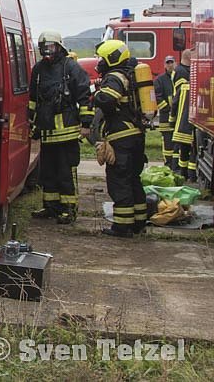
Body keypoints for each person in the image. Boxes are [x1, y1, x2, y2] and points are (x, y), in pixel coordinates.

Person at [29, 31, 93, 224]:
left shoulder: (70, 67)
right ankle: (51, 207)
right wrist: (31, 124)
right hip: (47, 131)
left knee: (65, 171)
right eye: (43, 48)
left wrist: (86, 124)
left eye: (49, 47)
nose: (46, 52)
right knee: (47, 172)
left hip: (67, 130)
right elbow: (33, 99)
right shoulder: (38, 69)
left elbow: (84, 95)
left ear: (59, 47)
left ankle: (69, 209)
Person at [93, 39, 147, 237]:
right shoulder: (130, 74)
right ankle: (139, 222)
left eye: (102, 58)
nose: (99, 63)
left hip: (121, 137)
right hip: (136, 136)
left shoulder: (115, 76)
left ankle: (122, 226)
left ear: (111, 58)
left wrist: (96, 95)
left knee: (119, 181)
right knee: (134, 179)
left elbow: (107, 99)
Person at [171, 49, 197, 181]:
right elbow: (176, 99)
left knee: (184, 151)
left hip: (182, 122)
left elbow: (175, 102)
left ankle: (183, 174)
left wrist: (172, 120)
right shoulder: (182, 74)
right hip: (188, 121)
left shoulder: (183, 77)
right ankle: (189, 176)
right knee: (190, 150)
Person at [154, 55, 176, 167]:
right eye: (168, 63)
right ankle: (168, 163)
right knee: (167, 141)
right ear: (164, 65)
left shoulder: (178, 77)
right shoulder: (159, 79)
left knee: (177, 141)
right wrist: (168, 108)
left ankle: (176, 164)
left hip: (177, 116)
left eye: (171, 62)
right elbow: (157, 97)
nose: (170, 65)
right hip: (166, 116)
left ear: (175, 64)